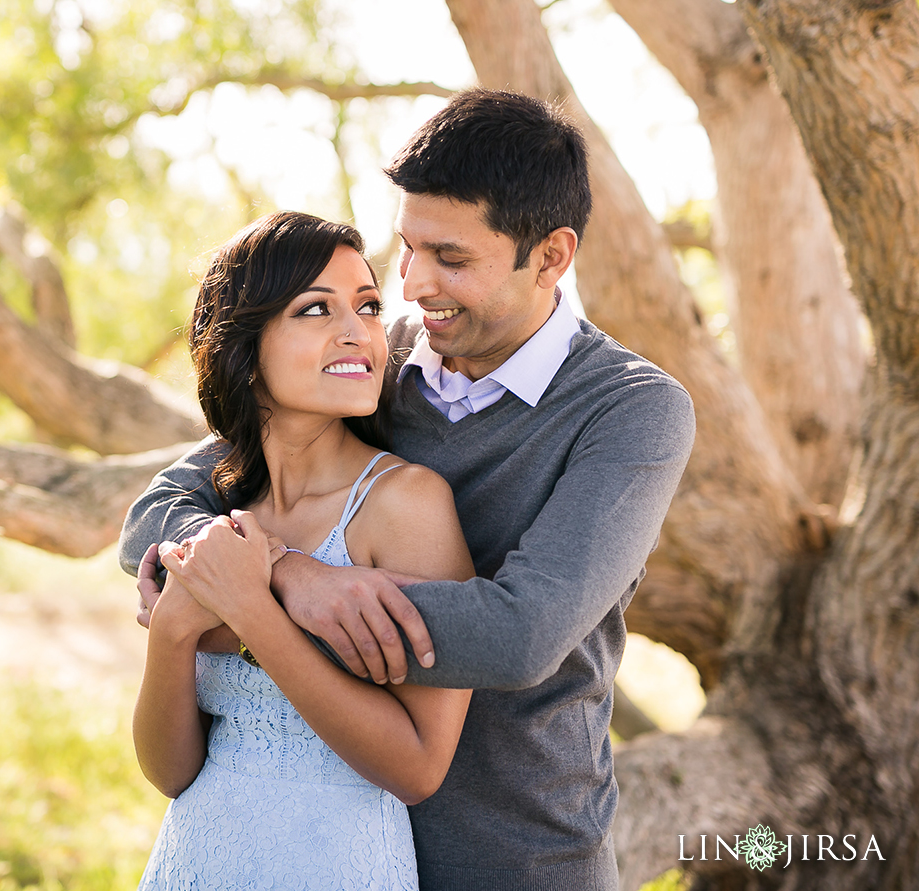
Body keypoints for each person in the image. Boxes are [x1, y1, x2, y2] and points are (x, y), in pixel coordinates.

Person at [121, 89, 696, 890]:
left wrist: (249, 602)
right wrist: (292, 573)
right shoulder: (372, 361)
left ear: (552, 255)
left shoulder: (631, 409)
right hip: (315, 843)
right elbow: (167, 503)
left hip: (510, 853)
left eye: (451, 258)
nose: (414, 285)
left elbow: (518, 634)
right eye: (407, 249)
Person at [132, 210, 476, 889]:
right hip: (194, 860)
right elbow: (170, 772)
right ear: (243, 345)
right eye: (316, 308)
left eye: (369, 305)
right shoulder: (219, 515)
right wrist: (173, 627)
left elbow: (418, 767)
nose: (359, 331)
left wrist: (252, 613)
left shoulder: (408, 504)